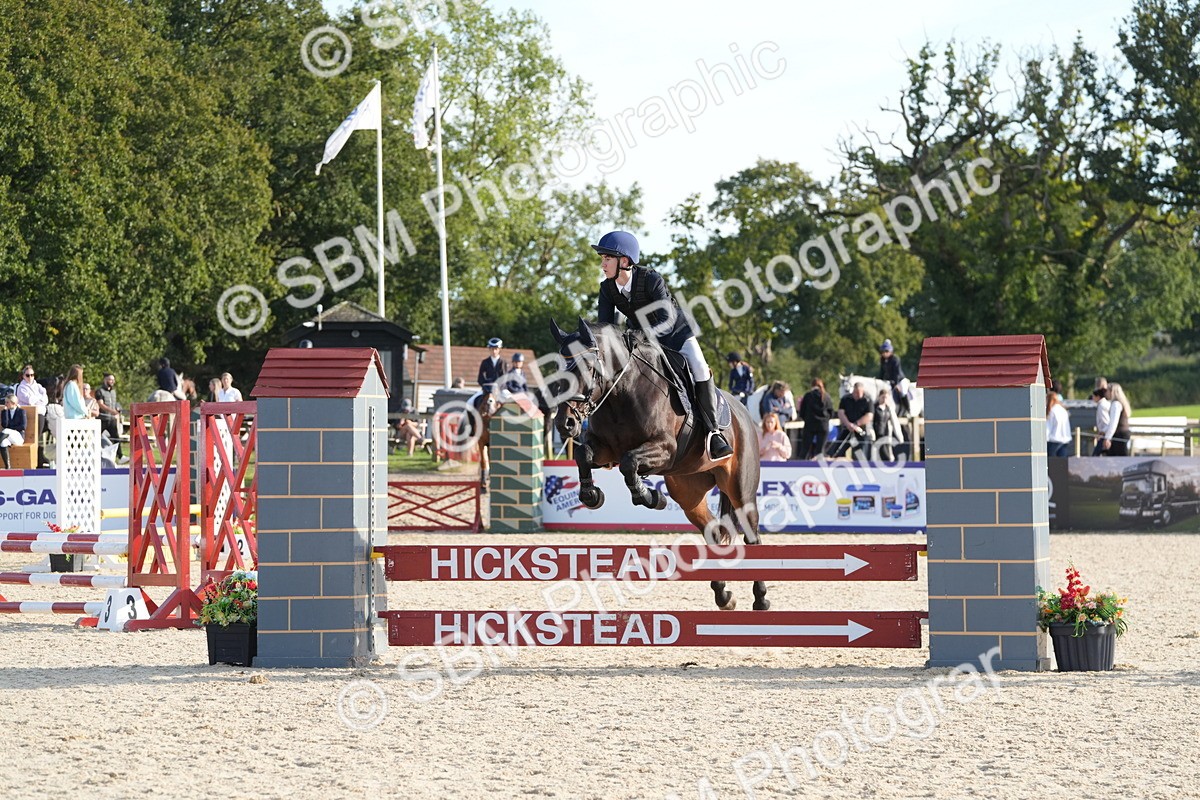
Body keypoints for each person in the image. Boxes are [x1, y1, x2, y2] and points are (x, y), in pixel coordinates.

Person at [592, 230, 732, 459]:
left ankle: (714, 433)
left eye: (607, 258)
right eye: (602, 259)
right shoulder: (607, 288)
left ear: (624, 261)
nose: (603, 264)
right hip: (641, 339)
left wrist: (639, 337)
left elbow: (666, 319)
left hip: (675, 334)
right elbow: (605, 327)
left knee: (699, 367)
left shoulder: (650, 279)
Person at [15, 364, 49, 467]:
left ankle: (39, 459)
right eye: (28, 375)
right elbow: (30, 401)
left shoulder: (38, 386)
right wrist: (39, 397)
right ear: (23, 376)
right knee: (32, 438)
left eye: (32, 375)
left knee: (38, 437)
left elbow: (46, 400)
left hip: (40, 414)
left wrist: (37, 399)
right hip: (29, 415)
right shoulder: (21, 388)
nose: (30, 377)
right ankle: (35, 461)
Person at [833, 382, 875, 459]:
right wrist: (848, 424)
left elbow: (869, 416)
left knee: (861, 455)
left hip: (861, 431)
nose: (858, 395)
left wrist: (856, 424)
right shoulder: (846, 399)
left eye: (860, 393)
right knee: (837, 450)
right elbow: (841, 413)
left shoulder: (868, 400)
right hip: (847, 429)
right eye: (856, 392)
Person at [797, 378, 835, 459]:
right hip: (823, 425)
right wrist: (826, 419)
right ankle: (820, 468)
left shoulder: (808, 396)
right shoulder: (826, 396)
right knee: (820, 451)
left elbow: (802, 412)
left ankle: (801, 466)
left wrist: (807, 419)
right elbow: (831, 412)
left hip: (810, 425)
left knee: (805, 449)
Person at [95, 373, 123, 460]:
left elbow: (114, 403)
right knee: (95, 437)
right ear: (105, 380)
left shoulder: (113, 392)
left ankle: (120, 456)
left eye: (113, 380)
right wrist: (112, 411)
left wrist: (117, 409)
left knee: (116, 438)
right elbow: (101, 404)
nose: (112, 381)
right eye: (110, 379)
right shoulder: (99, 391)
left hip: (111, 419)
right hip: (102, 419)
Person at [1102, 383, 1132, 456]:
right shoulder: (1120, 404)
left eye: (1107, 391)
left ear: (1111, 392)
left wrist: (1107, 438)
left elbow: (1113, 423)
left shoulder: (1116, 404)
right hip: (1123, 433)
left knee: (1119, 457)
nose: (1106, 393)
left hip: (1119, 434)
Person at [873, 388, 902, 461]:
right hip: (877, 433)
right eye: (883, 397)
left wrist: (899, 436)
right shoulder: (875, 408)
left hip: (886, 434)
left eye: (886, 397)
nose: (884, 399)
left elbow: (895, 423)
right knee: (881, 452)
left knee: (887, 451)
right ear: (879, 397)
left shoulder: (889, 409)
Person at [878, 339, 906, 408]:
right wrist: (880, 381)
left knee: (903, 392)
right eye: (883, 352)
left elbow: (897, 373)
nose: (884, 353)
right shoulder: (882, 359)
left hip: (900, 380)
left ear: (890, 351)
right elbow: (882, 372)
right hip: (889, 380)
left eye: (886, 351)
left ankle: (907, 409)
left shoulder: (895, 359)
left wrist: (895, 383)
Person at [0, 394, 25, 470]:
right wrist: (6, 412)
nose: (5, 404)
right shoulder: (5, 412)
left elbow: (23, 426)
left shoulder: (21, 411)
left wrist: (12, 429)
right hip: (8, 436)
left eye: (7, 402)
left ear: (13, 403)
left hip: (18, 437)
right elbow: (5, 425)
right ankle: (8, 466)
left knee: (6, 430)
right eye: (5, 402)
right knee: (2, 443)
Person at [1047, 390, 1072, 457]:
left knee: (1052, 464)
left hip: (1054, 440)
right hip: (1065, 440)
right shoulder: (1063, 410)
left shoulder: (1052, 410)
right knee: (1061, 464)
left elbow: (1048, 427)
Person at [1091, 377, 1110, 456]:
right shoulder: (1105, 403)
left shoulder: (1101, 406)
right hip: (1104, 434)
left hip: (1104, 435)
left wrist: (1102, 432)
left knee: (1095, 455)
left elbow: (1106, 422)